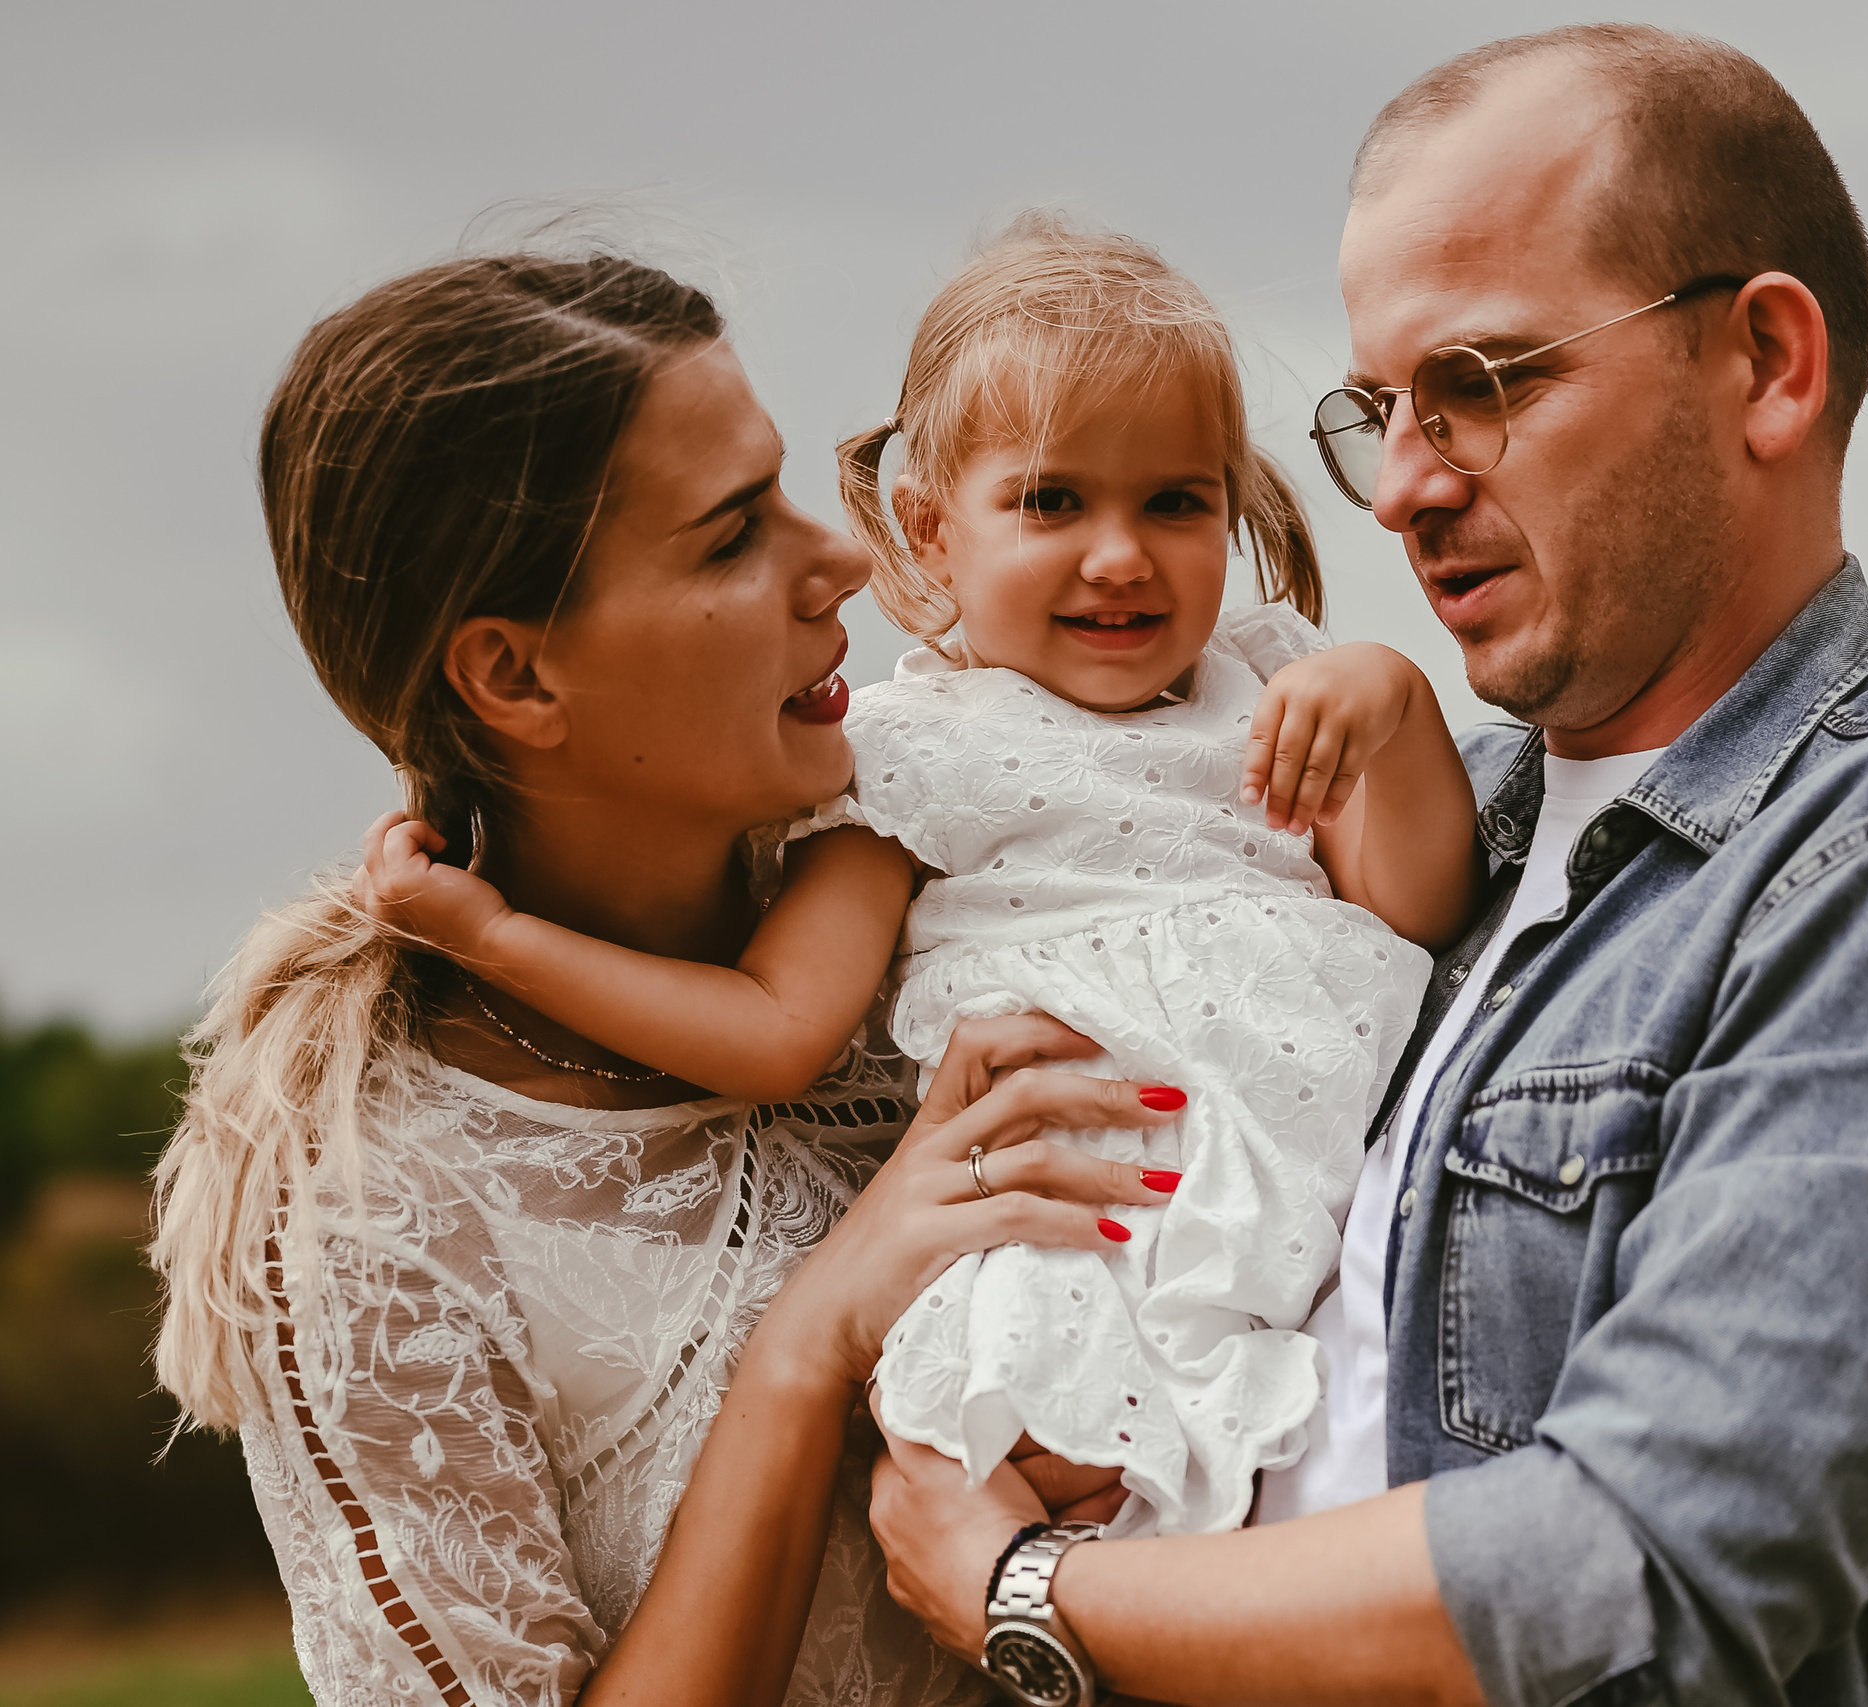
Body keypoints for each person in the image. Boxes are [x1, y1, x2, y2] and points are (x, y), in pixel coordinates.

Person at [867, 24, 1868, 1707]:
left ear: (1769, 366)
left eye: (1483, 385)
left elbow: (1645, 1565)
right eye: (1380, 412)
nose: (1406, 488)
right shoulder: (1373, 832)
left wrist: (1036, 1589)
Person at [148, 251, 1184, 1707]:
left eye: (786, 493)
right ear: (515, 679)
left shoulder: (979, 878)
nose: (837, 564)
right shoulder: (370, 1215)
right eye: (728, 538)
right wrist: (809, 1343)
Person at [358, 216, 1478, 1539]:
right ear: (934, 535)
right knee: (1083, 1499)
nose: (1120, 555)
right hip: (1089, 1233)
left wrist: (1396, 710)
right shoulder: (910, 758)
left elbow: (1415, 911)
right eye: (1052, 501)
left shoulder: (1271, 690)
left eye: (1175, 501)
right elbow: (776, 1034)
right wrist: (494, 936)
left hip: (1337, 1204)